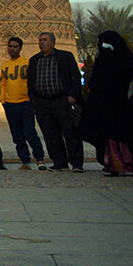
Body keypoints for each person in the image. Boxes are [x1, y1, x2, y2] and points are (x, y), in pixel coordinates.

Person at [82, 31, 133, 177]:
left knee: (125, 136)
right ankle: (113, 165)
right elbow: (96, 84)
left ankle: (128, 164)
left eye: (105, 41)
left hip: (123, 106)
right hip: (105, 107)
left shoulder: (129, 60)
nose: (103, 45)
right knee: (109, 137)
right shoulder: (102, 60)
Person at [27, 31, 85, 172]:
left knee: (70, 132)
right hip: (43, 103)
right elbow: (31, 82)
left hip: (62, 100)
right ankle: (60, 162)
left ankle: (76, 163)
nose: (42, 42)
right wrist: (34, 100)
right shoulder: (34, 59)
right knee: (51, 134)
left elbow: (76, 78)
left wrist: (72, 95)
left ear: (53, 42)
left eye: (45, 39)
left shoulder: (65, 57)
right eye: (40, 39)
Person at [0, 36, 44, 169]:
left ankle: (40, 159)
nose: (12, 49)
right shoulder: (5, 64)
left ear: (20, 48)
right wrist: (3, 100)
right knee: (17, 135)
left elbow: (33, 82)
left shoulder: (27, 62)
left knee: (30, 132)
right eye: (10, 46)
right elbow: (3, 83)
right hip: (10, 104)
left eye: (15, 46)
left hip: (25, 103)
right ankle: (25, 161)